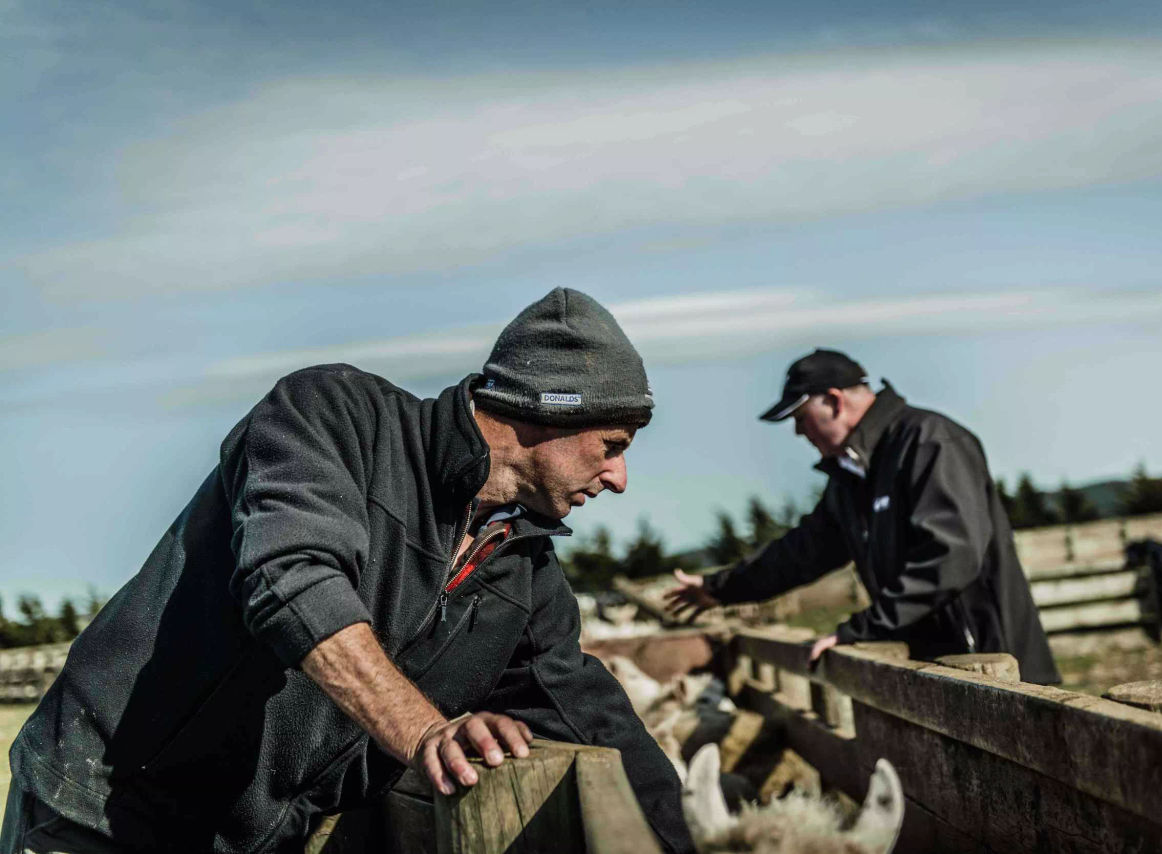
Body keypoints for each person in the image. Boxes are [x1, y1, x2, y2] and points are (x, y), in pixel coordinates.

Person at [3, 289, 695, 854]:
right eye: (612, 446)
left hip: (249, 844)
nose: (619, 477)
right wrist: (425, 732)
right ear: (554, 408)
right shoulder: (334, 419)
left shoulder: (522, 573)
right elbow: (292, 579)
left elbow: (594, 723)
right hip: (100, 810)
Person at [665, 348, 1060, 685]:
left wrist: (862, 630)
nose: (799, 434)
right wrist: (721, 588)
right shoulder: (854, 477)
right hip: (937, 667)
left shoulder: (929, 443)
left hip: (995, 663)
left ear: (835, 401)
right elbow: (803, 552)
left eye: (801, 418)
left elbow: (951, 555)